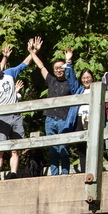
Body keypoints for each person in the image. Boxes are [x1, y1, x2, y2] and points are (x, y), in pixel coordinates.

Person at [0, 43, 30, 179]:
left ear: (0, 63)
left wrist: (32, 52)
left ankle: (13, 173)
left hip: (16, 115)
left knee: (15, 148)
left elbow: (24, 64)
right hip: (1, 117)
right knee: (0, 149)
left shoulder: (10, 74)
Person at [31, 44, 79, 175]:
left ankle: (64, 174)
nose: (59, 70)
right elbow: (41, 67)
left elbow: (74, 80)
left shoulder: (70, 82)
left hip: (64, 119)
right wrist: (32, 52)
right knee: (52, 149)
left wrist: (69, 61)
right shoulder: (51, 81)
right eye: (56, 68)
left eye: (61, 68)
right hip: (50, 119)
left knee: (63, 148)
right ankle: (54, 174)